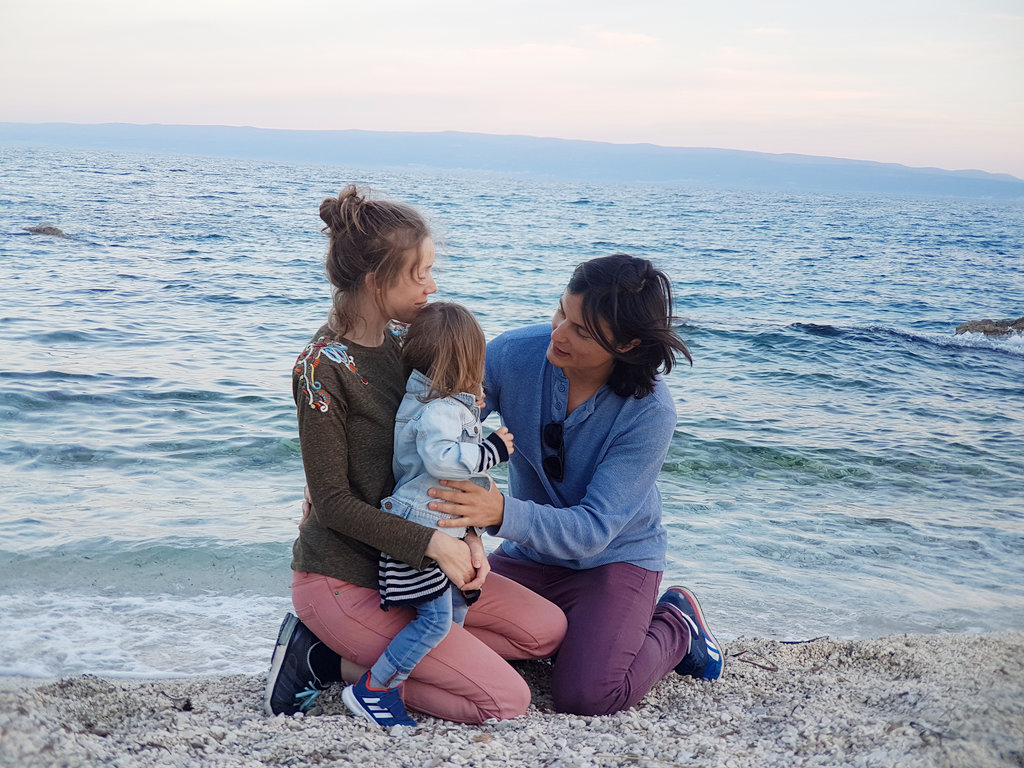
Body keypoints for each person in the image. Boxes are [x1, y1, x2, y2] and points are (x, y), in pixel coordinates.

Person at [263, 186, 566, 726]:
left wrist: (466, 537)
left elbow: (441, 454)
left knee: (547, 632)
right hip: (348, 577)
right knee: (505, 701)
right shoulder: (321, 366)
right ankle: (326, 658)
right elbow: (331, 503)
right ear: (378, 282)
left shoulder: (413, 346)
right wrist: (432, 544)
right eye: (418, 272)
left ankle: (386, 653)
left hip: (422, 566)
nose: (432, 284)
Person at [428, 253, 724, 716]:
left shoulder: (650, 413)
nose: (558, 333)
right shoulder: (512, 354)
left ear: (627, 344)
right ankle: (573, 633)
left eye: (581, 331)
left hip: (615, 560)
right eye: (561, 310)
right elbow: (441, 430)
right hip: (530, 556)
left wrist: (499, 512)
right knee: (433, 615)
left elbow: (593, 530)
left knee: (588, 695)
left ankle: (677, 623)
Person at [342, 302, 516, 728]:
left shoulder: (433, 398)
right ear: (464, 362)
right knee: (436, 621)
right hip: (419, 524)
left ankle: (419, 678)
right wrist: (491, 450)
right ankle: (376, 687)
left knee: (453, 615)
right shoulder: (439, 409)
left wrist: (468, 408)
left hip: (434, 522)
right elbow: (440, 459)